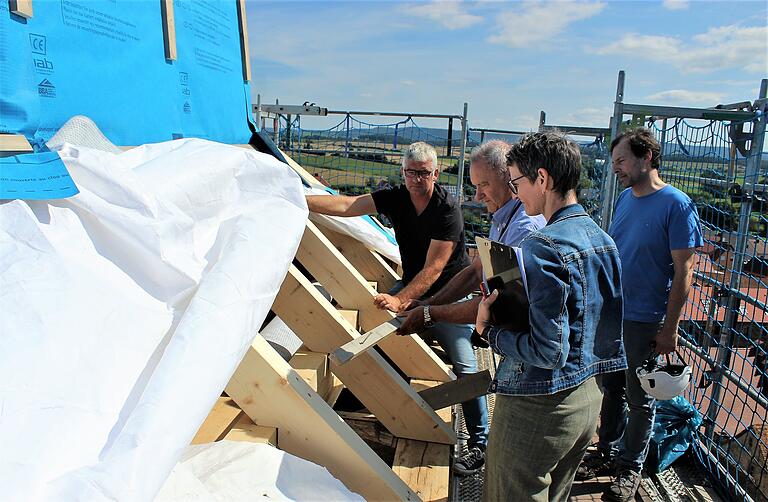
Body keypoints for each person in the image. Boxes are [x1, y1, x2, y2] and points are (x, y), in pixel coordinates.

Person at [476, 131, 626, 501]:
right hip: (588, 401)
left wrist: (488, 330)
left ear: (542, 179)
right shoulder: (602, 239)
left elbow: (548, 352)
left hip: (538, 408)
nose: (515, 193)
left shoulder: (541, 246)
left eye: (517, 183)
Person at [396, 140, 546, 474]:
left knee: (512, 428)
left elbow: (495, 302)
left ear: (509, 179)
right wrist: (427, 304)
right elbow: (475, 271)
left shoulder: (523, 229)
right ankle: (487, 446)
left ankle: (484, 447)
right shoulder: (504, 217)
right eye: (474, 187)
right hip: (515, 340)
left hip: (530, 350)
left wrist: (429, 314)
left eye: (483, 186)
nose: (477, 196)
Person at [576, 128, 703, 502]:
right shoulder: (627, 199)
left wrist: (670, 328)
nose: (615, 168)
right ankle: (608, 453)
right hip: (614, 311)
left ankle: (630, 469)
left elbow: (685, 271)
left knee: (640, 397)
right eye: (614, 161)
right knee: (611, 388)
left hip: (644, 318)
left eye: (621, 161)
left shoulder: (677, 204)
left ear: (646, 157)